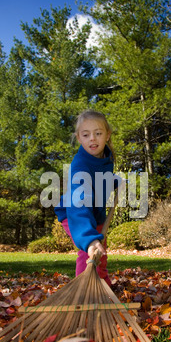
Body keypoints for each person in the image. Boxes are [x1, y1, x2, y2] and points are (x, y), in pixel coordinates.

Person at [54, 110, 116, 287]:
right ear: (79, 138)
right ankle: (83, 289)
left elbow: (97, 183)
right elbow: (79, 200)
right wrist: (88, 238)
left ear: (107, 135)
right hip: (75, 215)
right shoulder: (80, 164)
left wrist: (112, 181)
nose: (92, 139)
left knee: (100, 253)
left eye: (98, 133)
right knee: (88, 251)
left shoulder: (106, 156)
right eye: (86, 134)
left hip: (95, 213)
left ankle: (103, 285)